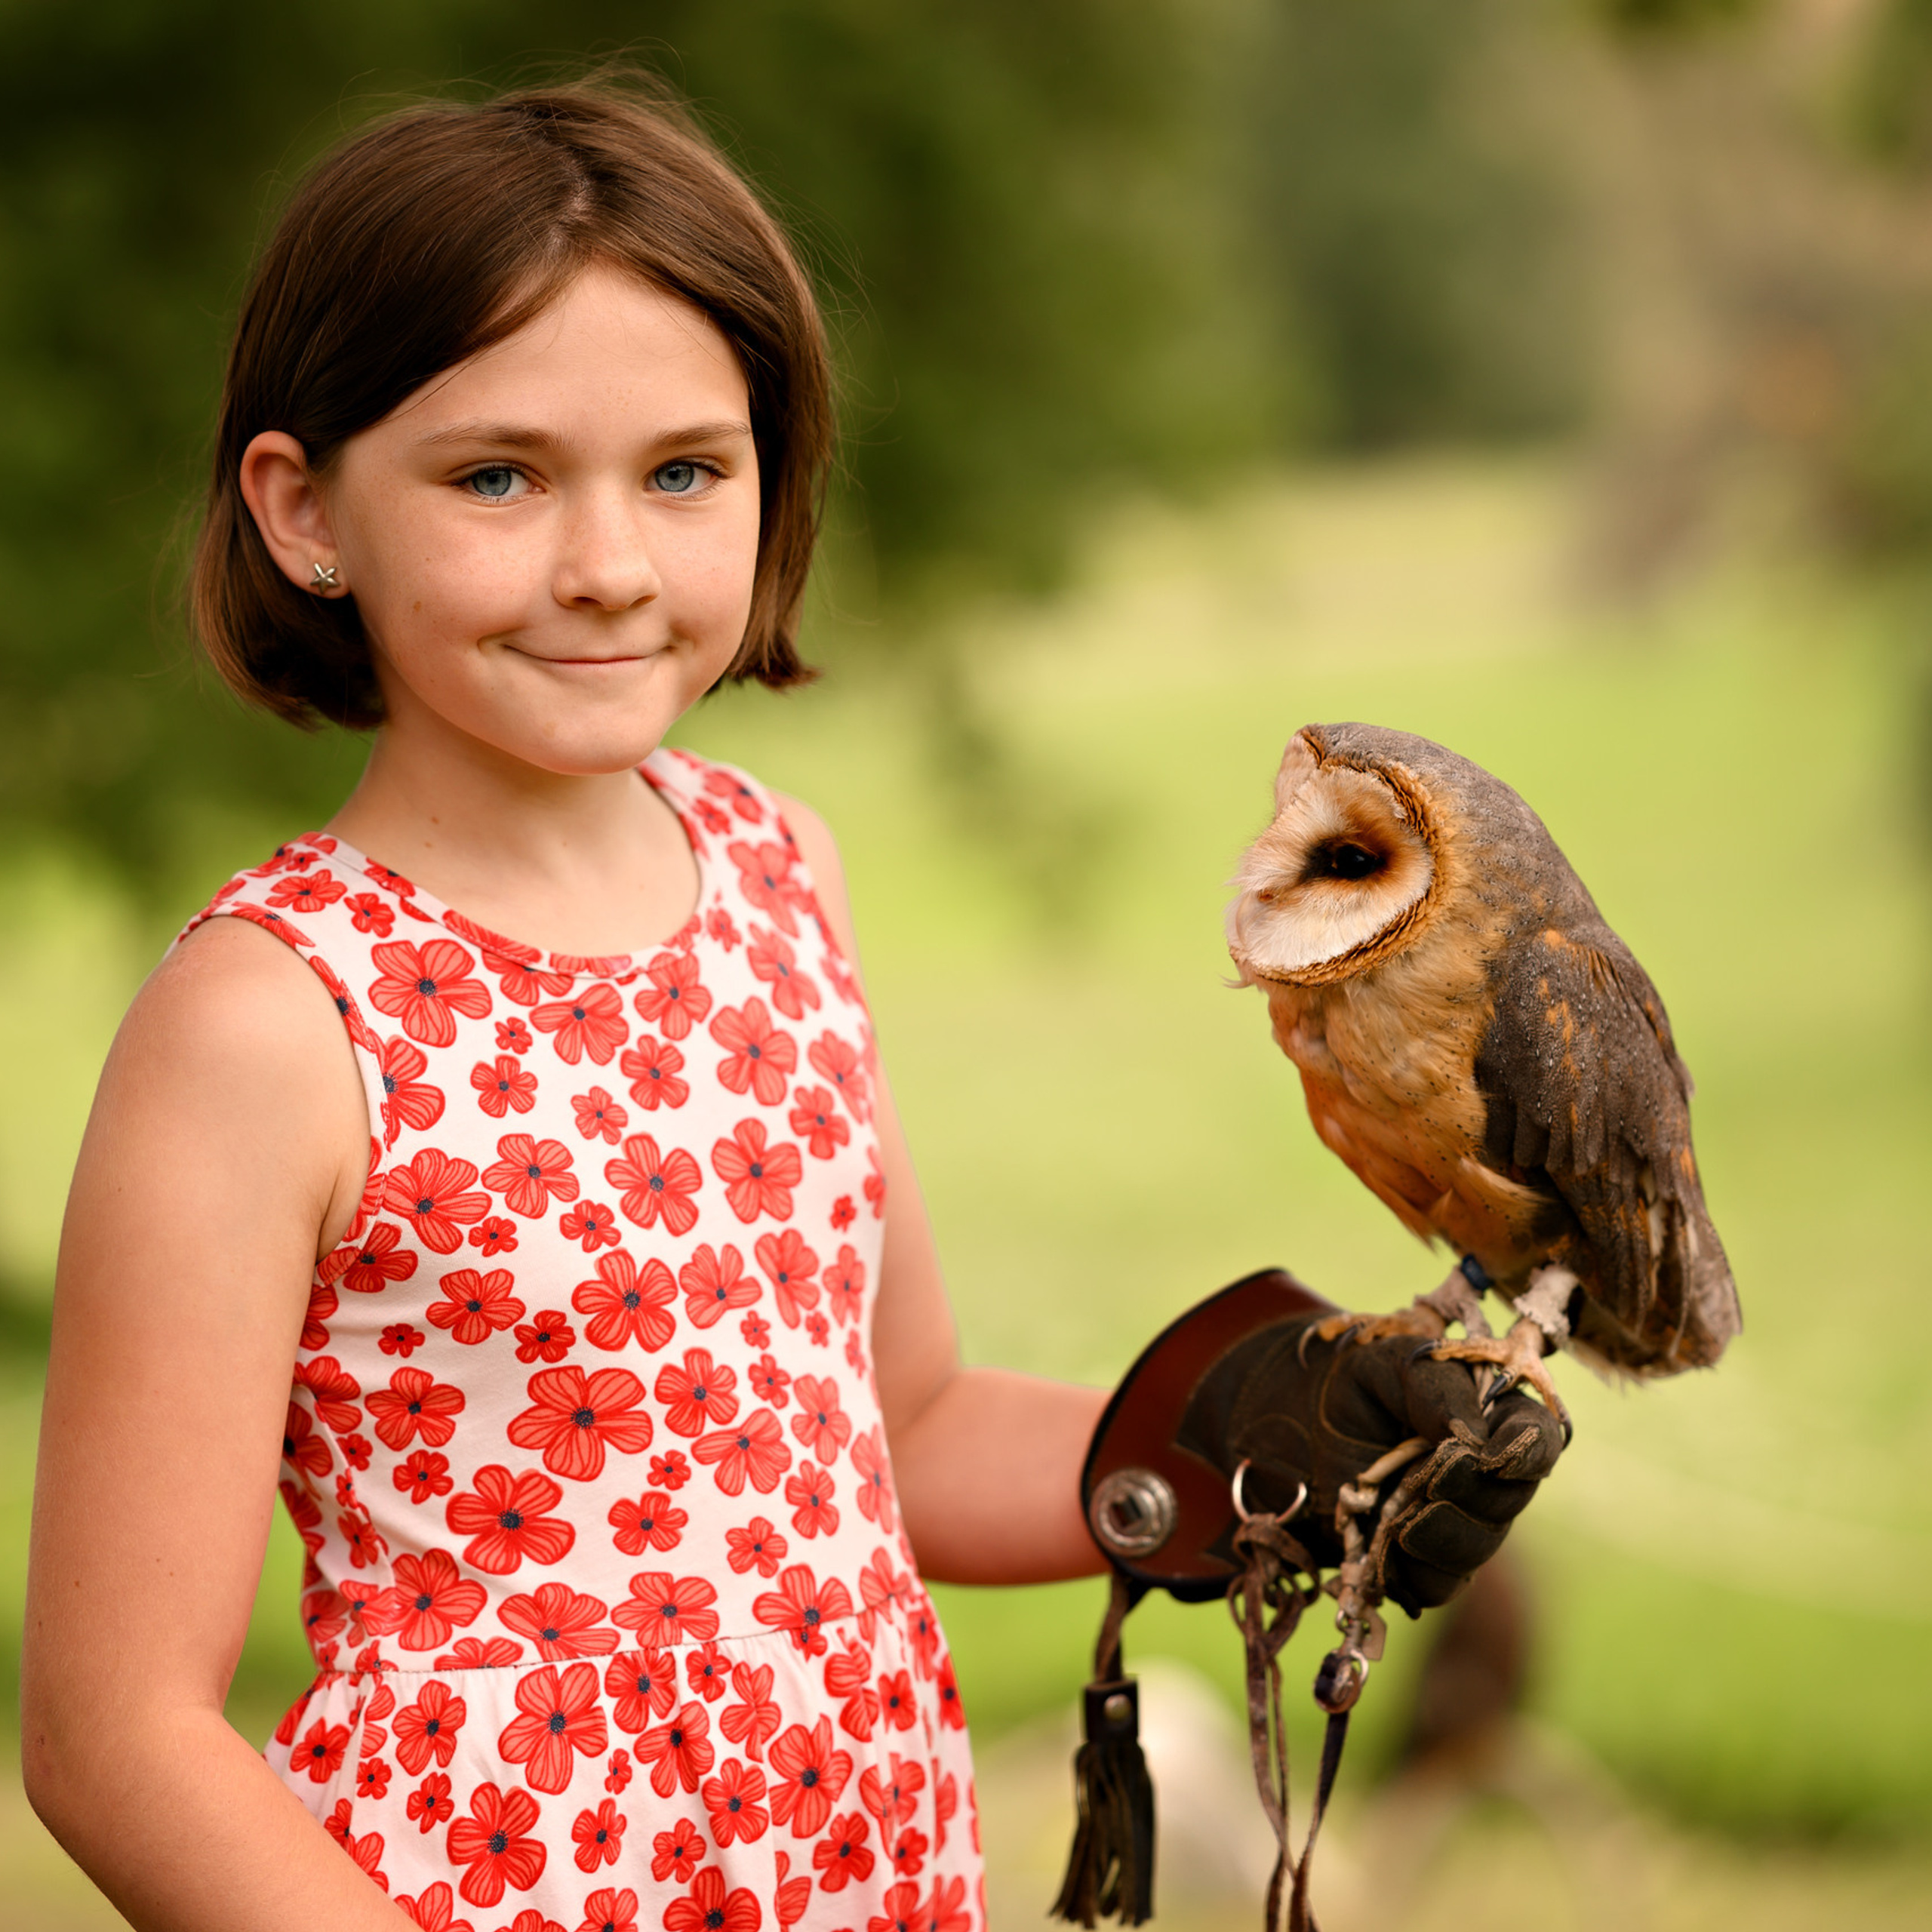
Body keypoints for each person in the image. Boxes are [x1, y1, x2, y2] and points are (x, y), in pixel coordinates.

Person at [20, 79, 1559, 1932]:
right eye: (495, 475)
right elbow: (116, 1732)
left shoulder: (774, 870)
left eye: (684, 471)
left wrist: (1224, 1439)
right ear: (304, 510)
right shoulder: (268, 1019)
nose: (606, 561)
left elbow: (886, 1429)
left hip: (870, 1876)